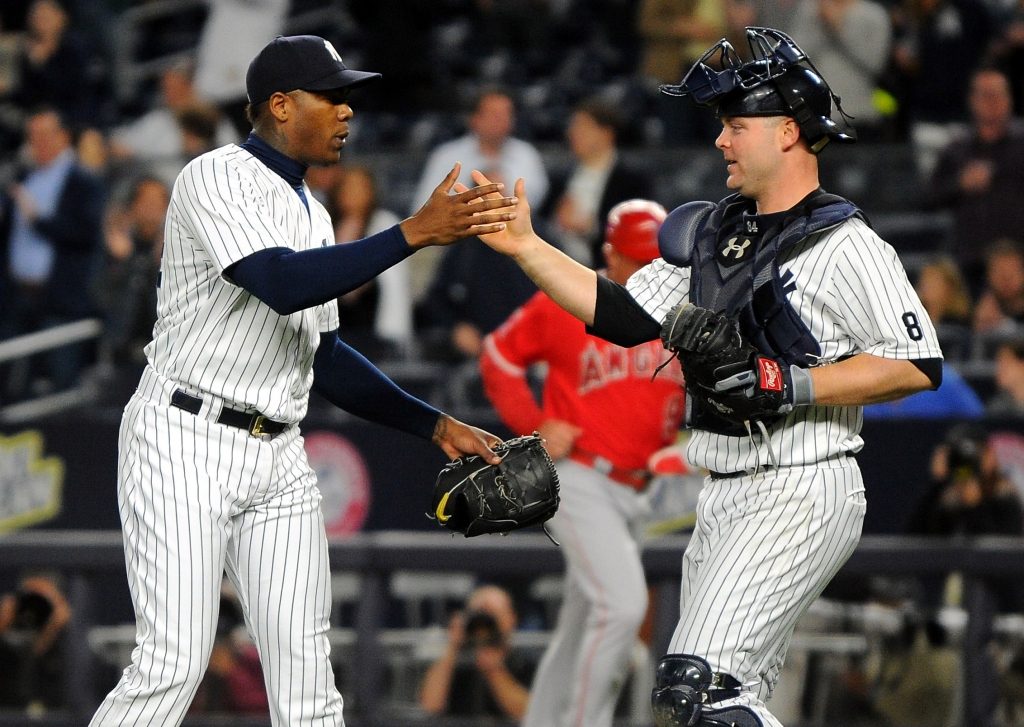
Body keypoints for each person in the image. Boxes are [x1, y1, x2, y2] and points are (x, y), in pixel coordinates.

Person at [464, 27, 942, 727]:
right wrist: (529, 249)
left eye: (736, 125)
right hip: (723, 492)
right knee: (722, 699)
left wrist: (791, 383)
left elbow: (916, 361)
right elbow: (625, 314)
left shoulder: (848, 243)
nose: (721, 141)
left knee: (697, 694)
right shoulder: (719, 233)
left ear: (787, 132)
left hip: (799, 483)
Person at [87, 34, 517, 727]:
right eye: (334, 97)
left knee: (309, 675)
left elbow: (324, 354)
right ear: (281, 106)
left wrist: (433, 423)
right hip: (183, 435)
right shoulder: (214, 175)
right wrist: (411, 233)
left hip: (278, 451)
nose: (349, 113)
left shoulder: (315, 213)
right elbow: (278, 283)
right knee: (171, 660)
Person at [480, 199, 685, 727]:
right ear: (609, 256)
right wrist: (533, 426)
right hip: (576, 477)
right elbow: (498, 355)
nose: (646, 274)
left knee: (581, 622)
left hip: (635, 489)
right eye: (636, 263)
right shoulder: (572, 297)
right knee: (620, 607)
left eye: (655, 264)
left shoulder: (677, 309)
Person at [908, 423, 1024, 727]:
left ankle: (982, 719)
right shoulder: (948, 498)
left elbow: (1007, 564)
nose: (965, 462)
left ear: (988, 456)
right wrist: (936, 485)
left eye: (971, 453)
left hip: (999, 610)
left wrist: (974, 504)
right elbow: (913, 539)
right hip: (943, 612)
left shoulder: (1004, 497)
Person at [0, 106, 104, 397]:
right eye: (33, 136)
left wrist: (39, 221)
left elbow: (85, 233)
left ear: (63, 137)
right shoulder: (22, 179)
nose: (38, 143)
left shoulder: (84, 182)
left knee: (62, 384)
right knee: (14, 386)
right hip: (18, 299)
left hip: (61, 300)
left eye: (45, 135)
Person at [925, 68, 1024, 286]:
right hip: (970, 263)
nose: (993, 101)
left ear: (1010, 99)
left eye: (999, 94)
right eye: (986, 95)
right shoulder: (957, 149)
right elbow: (929, 199)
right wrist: (960, 184)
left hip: (1018, 262)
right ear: (972, 101)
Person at [542, 99, 653, 267]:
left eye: (583, 127)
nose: (573, 133)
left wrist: (590, 228)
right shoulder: (561, 177)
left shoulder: (631, 179)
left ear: (606, 134)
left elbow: (640, 230)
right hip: (557, 264)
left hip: (607, 268)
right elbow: (542, 222)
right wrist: (557, 222)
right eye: (573, 127)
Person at [328, 164, 412, 357]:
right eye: (349, 188)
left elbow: (394, 284)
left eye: (361, 187)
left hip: (377, 333)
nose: (354, 194)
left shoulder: (386, 224)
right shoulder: (322, 225)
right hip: (336, 329)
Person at [419, 585, 534, 720]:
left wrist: (494, 669)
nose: (486, 625)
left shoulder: (526, 662)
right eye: (480, 615)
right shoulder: (455, 663)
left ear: (512, 619)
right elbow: (430, 707)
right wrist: (452, 647)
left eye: (494, 615)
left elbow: (528, 712)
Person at [0, 572, 72, 711]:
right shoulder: (8, 638)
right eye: (31, 596)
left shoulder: (66, 644)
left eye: (41, 598)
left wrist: (56, 626)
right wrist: (4, 620)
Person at [973, 239, 1024, 335]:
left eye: (1012, 271)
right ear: (988, 275)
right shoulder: (977, 307)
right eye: (1000, 272)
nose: (1006, 279)